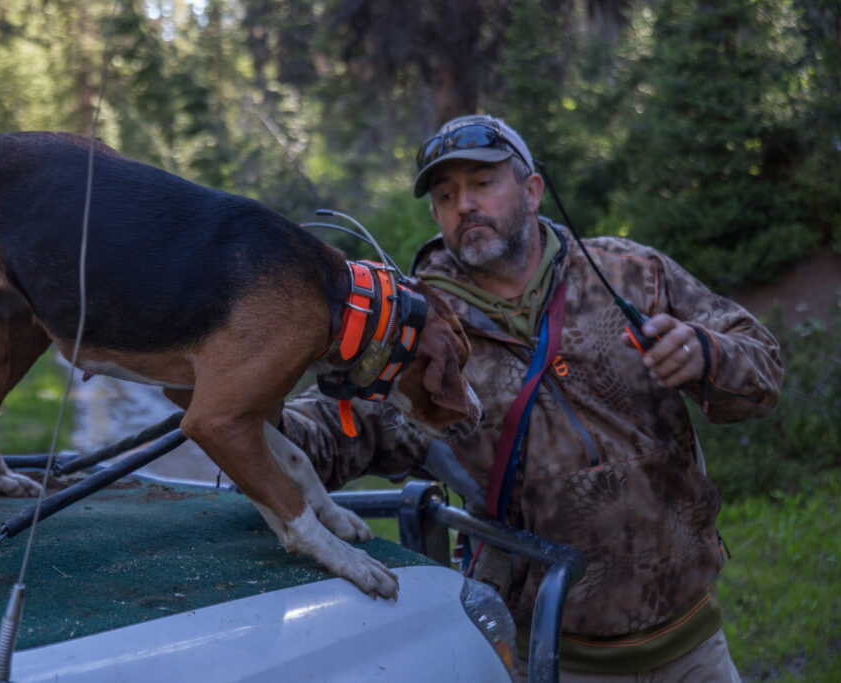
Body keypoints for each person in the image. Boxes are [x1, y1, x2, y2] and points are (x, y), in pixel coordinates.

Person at [280, 114, 782, 680]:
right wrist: (252, 416)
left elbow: (762, 371)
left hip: (694, 646)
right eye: (446, 195)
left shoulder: (630, 276)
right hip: (547, 656)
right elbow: (340, 427)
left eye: (482, 183)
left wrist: (706, 354)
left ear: (533, 190)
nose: (464, 204)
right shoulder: (424, 335)